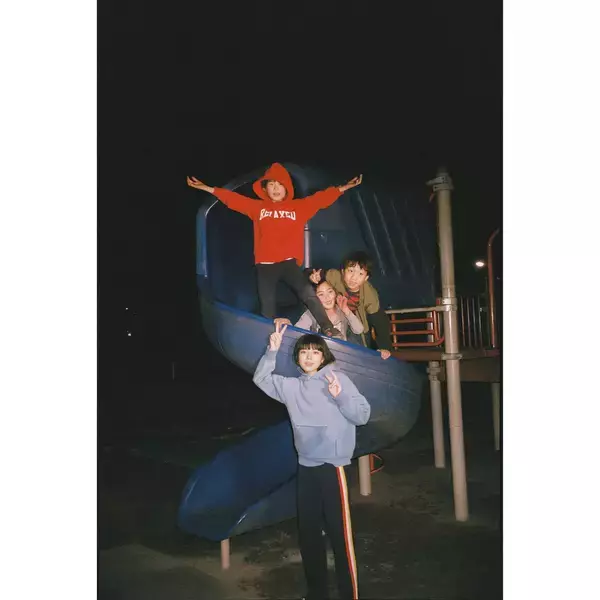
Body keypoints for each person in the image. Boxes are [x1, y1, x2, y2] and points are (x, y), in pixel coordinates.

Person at [253, 322, 370, 600]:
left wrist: (340, 396)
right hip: (306, 467)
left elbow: (362, 415)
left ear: (324, 356)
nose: (308, 356)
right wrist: (271, 352)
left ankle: (349, 594)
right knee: (308, 534)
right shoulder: (292, 386)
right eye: (303, 352)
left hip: (332, 467)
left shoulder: (336, 379)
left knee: (340, 536)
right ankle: (317, 593)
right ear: (297, 357)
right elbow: (261, 379)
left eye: (315, 352)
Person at [187, 163, 362, 338]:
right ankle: (270, 336)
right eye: (271, 184)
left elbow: (321, 199)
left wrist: (345, 187)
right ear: (265, 189)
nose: (276, 188)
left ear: (286, 189)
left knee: (308, 292)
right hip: (266, 265)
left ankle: (328, 328)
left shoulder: (299, 207)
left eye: (280, 185)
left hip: (289, 263)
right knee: (267, 303)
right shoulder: (258, 208)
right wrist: (206, 188)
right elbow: (232, 199)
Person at [310, 251, 393, 359]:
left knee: (357, 350)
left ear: (366, 278)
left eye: (360, 274)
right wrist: (312, 276)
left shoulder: (369, 294)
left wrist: (385, 347)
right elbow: (316, 273)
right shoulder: (335, 276)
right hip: (337, 321)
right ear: (343, 271)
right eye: (351, 271)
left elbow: (380, 321)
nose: (354, 277)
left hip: (358, 327)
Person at [273, 279, 364, 342]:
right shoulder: (311, 313)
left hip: (341, 352)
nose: (327, 297)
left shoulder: (342, 311)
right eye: (321, 294)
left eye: (330, 292)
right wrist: (288, 324)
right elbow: (297, 331)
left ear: (335, 293)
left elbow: (359, 330)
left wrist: (346, 310)